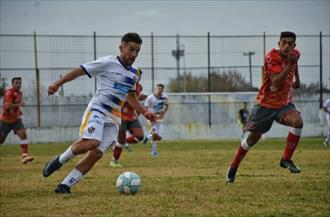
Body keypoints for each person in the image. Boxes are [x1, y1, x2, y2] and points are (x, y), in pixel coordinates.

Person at [42, 32, 157, 194]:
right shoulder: (108, 63)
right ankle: (59, 161)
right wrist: (57, 83)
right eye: (131, 49)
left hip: (115, 118)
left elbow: (131, 97)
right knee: (92, 142)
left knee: (96, 154)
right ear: (121, 47)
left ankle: (65, 185)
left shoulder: (134, 73)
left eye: (137, 51)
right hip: (98, 109)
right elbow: (80, 70)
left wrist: (145, 111)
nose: (134, 54)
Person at [226, 31, 303, 183]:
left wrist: (297, 79)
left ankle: (286, 159)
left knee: (297, 122)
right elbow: (276, 82)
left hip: (284, 105)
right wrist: (290, 65)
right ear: (279, 44)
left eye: (290, 43)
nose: (287, 46)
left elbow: (295, 64)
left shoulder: (295, 54)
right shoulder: (271, 57)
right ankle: (233, 167)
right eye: (284, 43)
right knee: (252, 140)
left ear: (294, 45)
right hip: (265, 105)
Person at [110, 68, 148, 167]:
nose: (137, 77)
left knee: (140, 136)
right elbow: (126, 98)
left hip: (132, 116)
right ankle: (114, 161)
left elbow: (134, 100)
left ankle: (125, 143)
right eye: (136, 75)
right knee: (120, 141)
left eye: (139, 75)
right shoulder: (124, 84)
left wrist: (139, 108)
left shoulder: (139, 87)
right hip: (121, 115)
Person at [0, 77, 34, 164]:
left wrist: (18, 111)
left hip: (15, 120)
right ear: (12, 84)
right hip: (5, 121)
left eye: (19, 83)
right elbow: (7, 106)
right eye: (16, 83)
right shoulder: (9, 92)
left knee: (23, 134)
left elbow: (14, 106)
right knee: (1, 140)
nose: (18, 85)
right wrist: (19, 104)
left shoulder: (19, 93)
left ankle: (25, 155)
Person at [143, 83, 169, 157]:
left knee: (159, 136)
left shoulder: (165, 97)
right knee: (155, 135)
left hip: (160, 118)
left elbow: (167, 106)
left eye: (161, 89)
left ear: (163, 90)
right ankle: (154, 152)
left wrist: (163, 114)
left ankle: (147, 136)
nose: (159, 90)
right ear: (155, 89)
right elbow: (145, 108)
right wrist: (149, 116)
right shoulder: (150, 98)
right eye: (158, 88)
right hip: (152, 118)